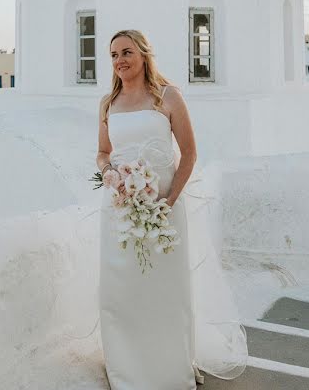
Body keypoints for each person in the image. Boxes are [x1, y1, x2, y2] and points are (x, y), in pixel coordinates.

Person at [95, 29, 246, 389]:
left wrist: (167, 202)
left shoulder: (168, 97)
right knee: (122, 291)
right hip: (119, 211)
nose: (120, 61)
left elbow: (189, 154)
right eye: (114, 55)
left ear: (144, 54)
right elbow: (102, 152)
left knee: (165, 290)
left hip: (164, 210)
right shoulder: (107, 103)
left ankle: (168, 367)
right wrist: (111, 174)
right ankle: (128, 369)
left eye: (127, 52)